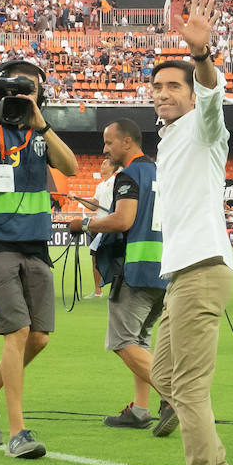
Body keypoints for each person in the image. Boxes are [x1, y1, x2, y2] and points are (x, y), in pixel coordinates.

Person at [144, 0, 233, 465]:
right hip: (183, 271)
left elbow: (211, 94)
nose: (163, 93)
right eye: (157, 86)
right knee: (164, 374)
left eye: (172, 86)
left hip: (202, 268)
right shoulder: (171, 137)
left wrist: (201, 56)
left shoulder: (206, 128)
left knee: (189, 388)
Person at [0, 59, 78, 460]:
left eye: (34, 89)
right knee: (18, 332)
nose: (27, 95)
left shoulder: (39, 131)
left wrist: (41, 123)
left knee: (39, 337)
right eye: (20, 89)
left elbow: (71, 167)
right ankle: (18, 432)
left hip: (35, 242)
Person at [69, 119, 165, 429]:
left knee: (123, 342)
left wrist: (84, 224)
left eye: (109, 142)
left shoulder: (129, 175)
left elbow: (123, 220)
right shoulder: (161, 173)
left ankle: (178, 398)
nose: (105, 148)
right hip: (164, 269)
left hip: (135, 269)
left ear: (127, 142)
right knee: (140, 340)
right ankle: (140, 409)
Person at [86, 155, 120, 300]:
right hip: (101, 226)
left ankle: (111, 290)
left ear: (112, 167)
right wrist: (77, 199)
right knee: (95, 255)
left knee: (113, 258)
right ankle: (98, 290)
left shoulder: (115, 181)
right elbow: (94, 205)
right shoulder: (100, 185)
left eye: (105, 163)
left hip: (110, 224)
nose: (102, 165)